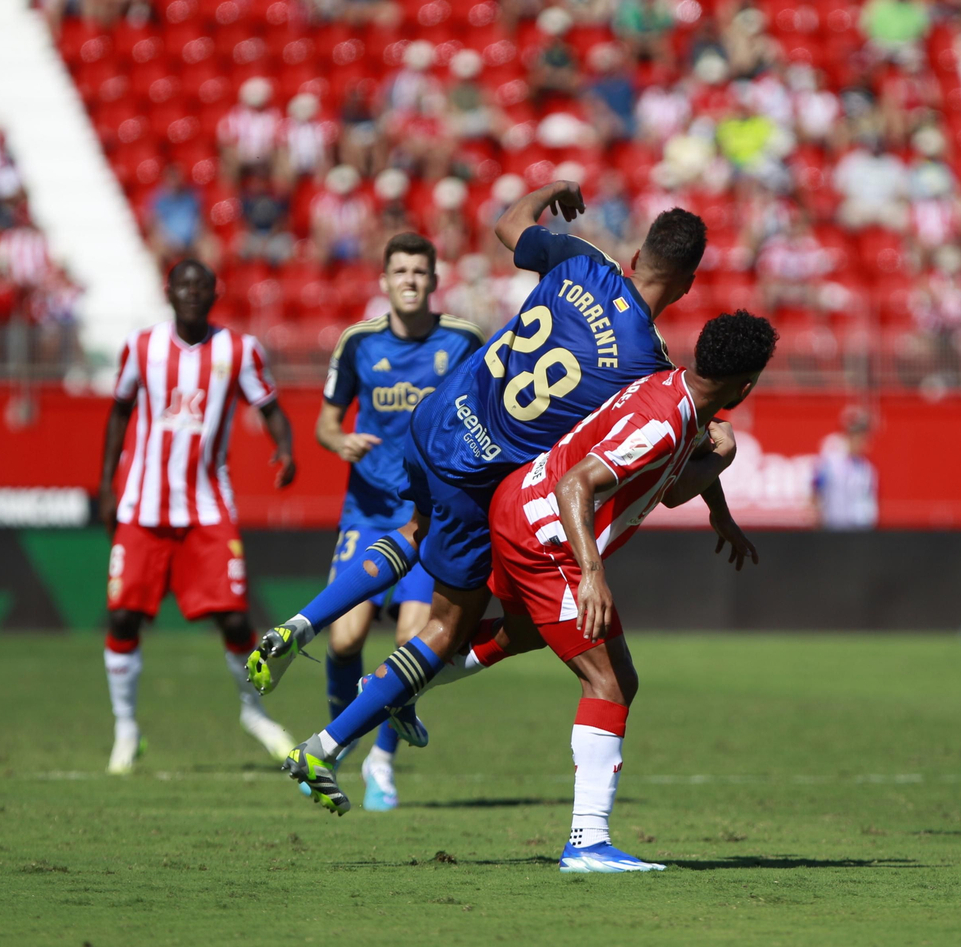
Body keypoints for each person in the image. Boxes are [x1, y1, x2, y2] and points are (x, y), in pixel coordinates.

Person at [246, 181, 752, 813]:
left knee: (411, 533)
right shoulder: (645, 367)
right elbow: (671, 461)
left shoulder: (581, 261)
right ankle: (327, 745)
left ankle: (299, 625)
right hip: (478, 470)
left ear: (641, 250)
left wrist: (550, 190)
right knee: (443, 630)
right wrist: (720, 488)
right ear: (686, 283)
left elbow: (507, 223)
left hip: (436, 420)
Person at [489, 311, 776, 870]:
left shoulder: (676, 388)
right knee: (611, 681)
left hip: (519, 504)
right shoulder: (668, 420)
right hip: (547, 537)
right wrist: (591, 572)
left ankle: (401, 683)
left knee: (504, 636)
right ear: (746, 386)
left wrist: (720, 507)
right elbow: (579, 483)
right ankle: (587, 843)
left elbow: (670, 489)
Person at [96, 259, 298, 775]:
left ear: (213, 293)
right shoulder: (141, 348)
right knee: (123, 616)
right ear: (169, 292)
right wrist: (105, 485)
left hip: (208, 506)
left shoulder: (239, 350)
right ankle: (126, 728)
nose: (191, 292)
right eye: (183, 284)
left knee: (234, 617)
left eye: (201, 285)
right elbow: (119, 411)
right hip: (143, 505)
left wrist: (285, 449)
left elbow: (270, 405)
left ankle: (253, 713)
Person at [315, 233, 482, 810]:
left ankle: (381, 764)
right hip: (367, 512)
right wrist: (341, 441)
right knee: (345, 639)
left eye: (419, 270)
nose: (410, 279)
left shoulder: (463, 342)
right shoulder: (358, 343)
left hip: (430, 517)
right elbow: (326, 423)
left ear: (434, 280)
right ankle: (344, 737)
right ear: (384, 281)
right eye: (400, 270)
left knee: (411, 640)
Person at [814, 410, 878, 530]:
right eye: (857, 436)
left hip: (860, 533)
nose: (861, 442)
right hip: (834, 529)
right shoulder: (830, 464)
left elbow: (870, 503)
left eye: (864, 437)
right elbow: (816, 489)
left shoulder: (868, 470)